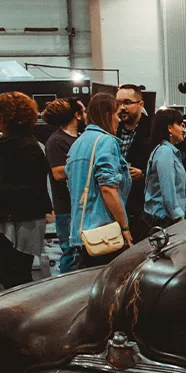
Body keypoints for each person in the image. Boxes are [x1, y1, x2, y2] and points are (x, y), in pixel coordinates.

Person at [0, 93, 52, 289]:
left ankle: (20, 316)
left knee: (14, 273)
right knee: (8, 272)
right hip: (10, 217)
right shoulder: (8, 145)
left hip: (21, 221)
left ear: (7, 117)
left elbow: (35, 190)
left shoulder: (27, 147)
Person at [66, 93, 132, 268]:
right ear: (108, 115)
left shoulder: (78, 144)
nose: (120, 120)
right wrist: (124, 226)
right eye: (118, 114)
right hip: (103, 232)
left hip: (81, 232)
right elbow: (108, 188)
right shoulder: (106, 142)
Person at [41, 98, 85, 274]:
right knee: (70, 251)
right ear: (77, 115)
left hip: (78, 205)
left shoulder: (78, 139)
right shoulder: (57, 141)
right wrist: (84, 165)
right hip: (66, 207)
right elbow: (58, 173)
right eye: (83, 110)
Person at [144, 108, 186, 228]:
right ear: (169, 128)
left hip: (169, 217)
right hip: (163, 220)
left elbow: (178, 190)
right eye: (180, 125)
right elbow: (168, 191)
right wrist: (179, 217)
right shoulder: (165, 152)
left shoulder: (169, 151)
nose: (183, 130)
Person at [114, 84, 150, 238]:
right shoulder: (112, 129)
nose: (122, 107)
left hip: (143, 205)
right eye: (118, 103)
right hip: (116, 202)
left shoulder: (152, 129)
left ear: (140, 105)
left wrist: (143, 173)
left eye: (127, 102)